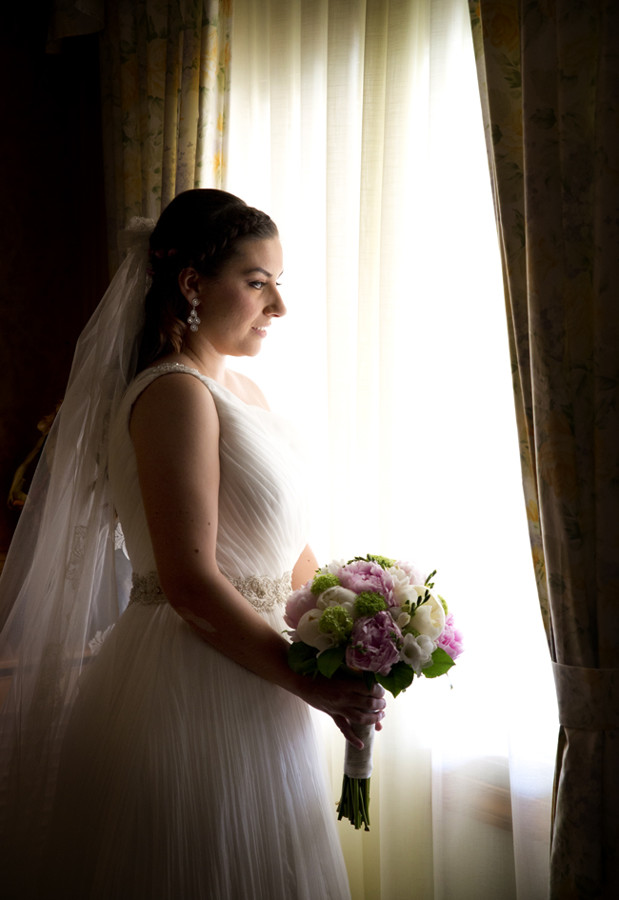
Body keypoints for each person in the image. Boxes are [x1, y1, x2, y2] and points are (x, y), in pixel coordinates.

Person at [0, 189, 386, 899]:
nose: (278, 308)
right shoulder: (173, 393)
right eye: (257, 283)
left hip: (261, 677)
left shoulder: (240, 390)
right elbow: (188, 581)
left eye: (278, 285)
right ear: (190, 285)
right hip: (192, 677)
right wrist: (307, 681)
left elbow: (283, 549)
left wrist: (355, 623)